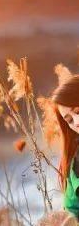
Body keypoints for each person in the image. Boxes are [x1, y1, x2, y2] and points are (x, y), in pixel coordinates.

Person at [53, 75, 79, 217]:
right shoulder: (75, 163)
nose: (76, 122)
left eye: (78, 111)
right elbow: (71, 213)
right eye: (69, 120)